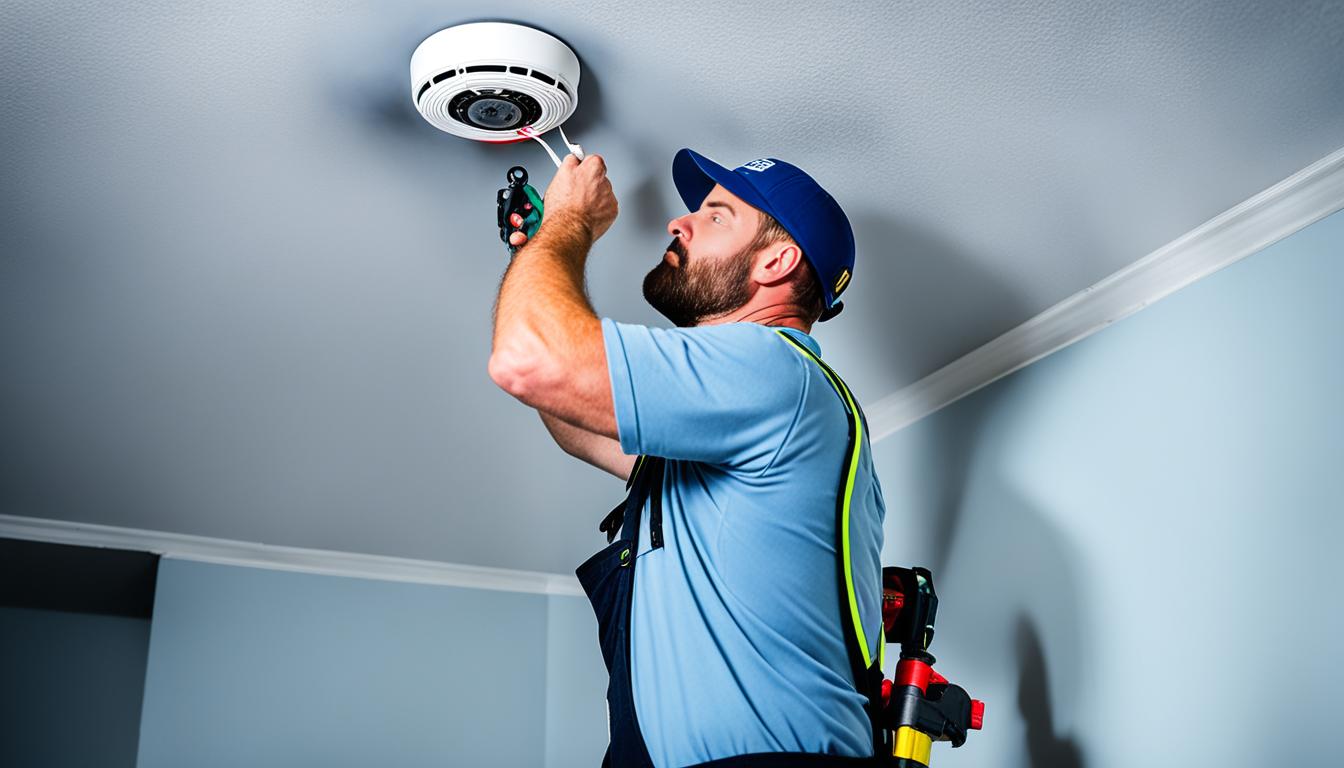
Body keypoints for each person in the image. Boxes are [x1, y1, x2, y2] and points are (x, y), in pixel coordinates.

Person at [488, 148, 886, 768]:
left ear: (776, 262)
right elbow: (571, 415)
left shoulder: (772, 369)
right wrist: (535, 248)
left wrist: (571, 221)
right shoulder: (731, 422)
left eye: (717, 217)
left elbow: (529, 361)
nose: (679, 223)